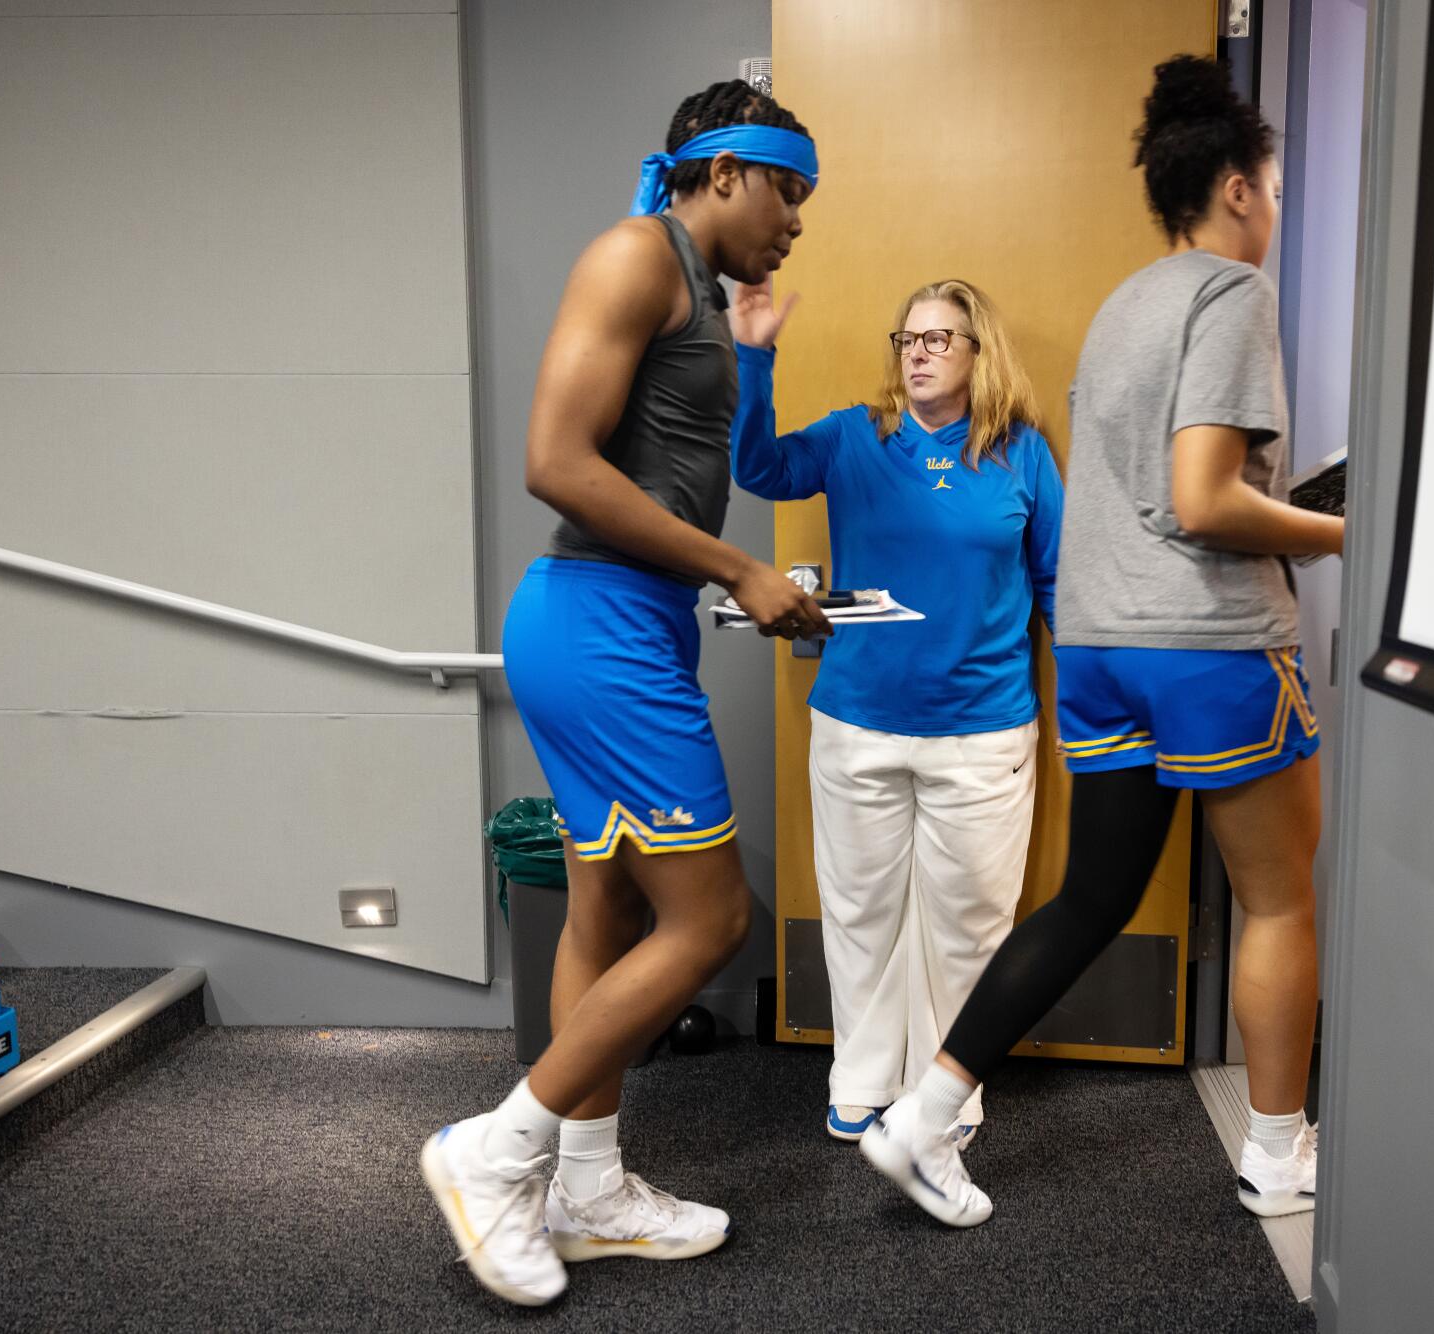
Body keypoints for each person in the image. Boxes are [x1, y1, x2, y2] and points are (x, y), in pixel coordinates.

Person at [858, 53, 1343, 1227]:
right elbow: (1203, 497)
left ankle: (922, 1118)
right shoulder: (1233, 295)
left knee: (1092, 894)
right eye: (1269, 191)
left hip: (1098, 643)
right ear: (1234, 187)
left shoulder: (1125, 304)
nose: (1271, 212)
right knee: (1277, 901)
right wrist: (1334, 531)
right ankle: (1277, 1153)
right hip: (1206, 642)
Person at [419, 81, 827, 1307]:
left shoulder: (694, 289)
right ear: (721, 173)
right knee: (711, 922)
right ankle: (496, 1151)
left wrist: (748, 361)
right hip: (597, 623)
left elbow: (714, 463)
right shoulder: (630, 254)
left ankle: (587, 1186)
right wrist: (738, 567)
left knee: (600, 905)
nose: (798, 221)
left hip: (619, 621)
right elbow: (556, 461)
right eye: (787, 190)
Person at [728, 277, 1062, 1144]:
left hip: (984, 731)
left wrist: (1099, 701)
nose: (916, 352)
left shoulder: (1021, 453)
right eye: (907, 338)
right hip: (858, 723)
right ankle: (862, 1079)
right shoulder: (854, 437)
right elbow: (759, 468)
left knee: (969, 926)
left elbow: (1058, 582)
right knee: (861, 914)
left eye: (938, 339)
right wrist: (753, 356)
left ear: (977, 353)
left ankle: (945, 1094)